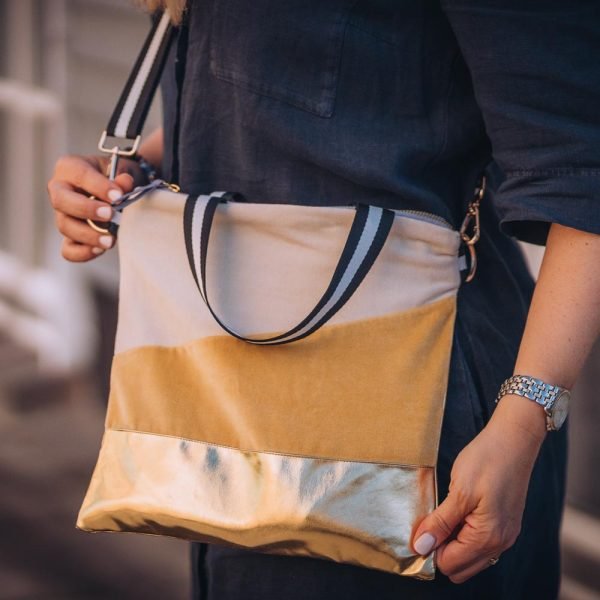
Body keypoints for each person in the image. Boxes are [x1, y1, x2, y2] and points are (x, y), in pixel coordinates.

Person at [47, 1, 600, 598]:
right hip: (218, 381)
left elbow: (579, 169)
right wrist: (123, 173)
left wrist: (523, 423)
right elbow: (279, 94)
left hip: (419, 403)